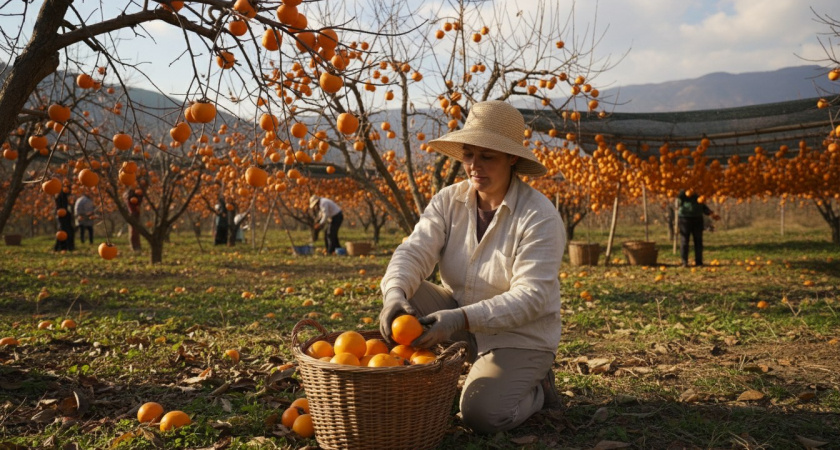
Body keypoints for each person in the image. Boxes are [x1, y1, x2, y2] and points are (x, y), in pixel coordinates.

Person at [378, 100, 566, 434]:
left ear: (512, 158)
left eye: (487, 156)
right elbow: (414, 250)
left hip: (519, 337)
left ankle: (537, 389)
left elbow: (532, 296)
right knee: (407, 292)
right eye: (468, 154)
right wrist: (394, 295)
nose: (474, 166)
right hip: (460, 320)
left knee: (482, 415)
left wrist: (459, 318)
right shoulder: (449, 200)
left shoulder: (538, 216)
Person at [677, 189, 713, 267]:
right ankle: (684, 261)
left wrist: (709, 212)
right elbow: (679, 199)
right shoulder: (683, 192)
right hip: (685, 218)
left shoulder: (698, 191)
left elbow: (702, 204)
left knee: (698, 240)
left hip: (697, 218)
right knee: (684, 240)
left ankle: (699, 261)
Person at [54, 186, 75, 251]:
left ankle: (62, 247)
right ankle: (65, 246)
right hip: (63, 215)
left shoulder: (61, 196)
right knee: (65, 231)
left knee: (63, 230)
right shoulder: (61, 197)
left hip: (63, 215)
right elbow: (63, 206)